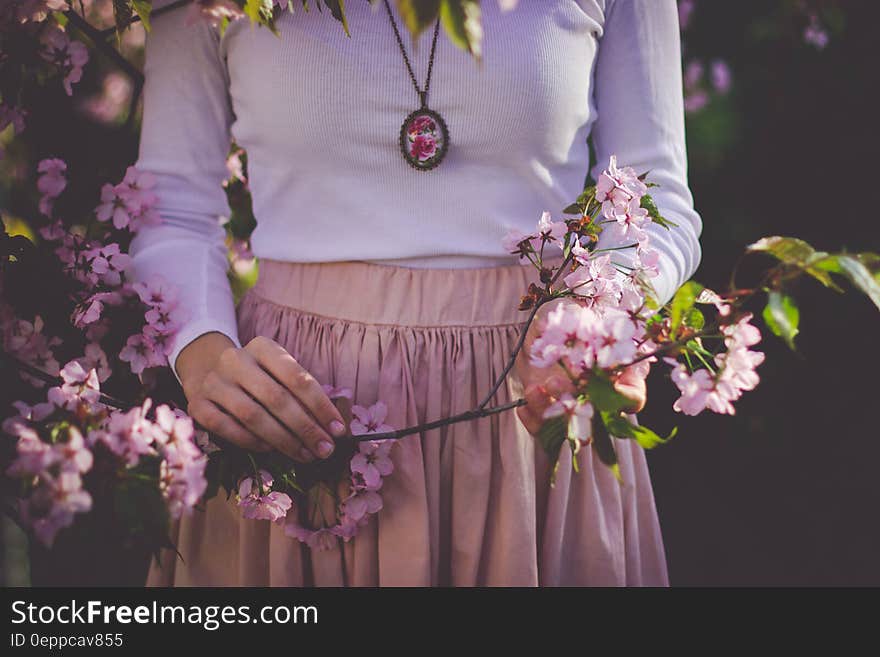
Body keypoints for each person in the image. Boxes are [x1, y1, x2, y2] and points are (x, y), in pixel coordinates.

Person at [131, 0, 702, 586]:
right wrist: (202, 355)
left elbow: (657, 198)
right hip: (296, 414)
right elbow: (171, 205)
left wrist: (600, 313)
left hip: (533, 391)